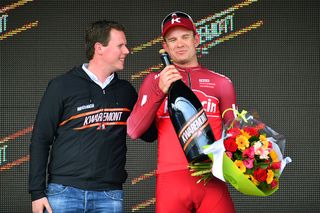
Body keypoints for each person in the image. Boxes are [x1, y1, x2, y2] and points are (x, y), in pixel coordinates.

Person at [29, 20, 143, 213]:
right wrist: (37, 193)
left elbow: (148, 133)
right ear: (99, 48)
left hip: (109, 196)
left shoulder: (126, 92)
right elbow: (41, 139)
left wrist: (159, 93)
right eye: (120, 45)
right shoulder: (61, 86)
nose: (127, 51)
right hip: (64, 193)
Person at [127, 11, 236, 212]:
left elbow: (235, 132)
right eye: (173, 39)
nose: (180, 44)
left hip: (211, 178)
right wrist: (159, 91)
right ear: (165, 46)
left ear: (196, 39)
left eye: (185, 37)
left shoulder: (222, 82)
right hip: (171, 180)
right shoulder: (153, 80)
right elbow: (134, 130)